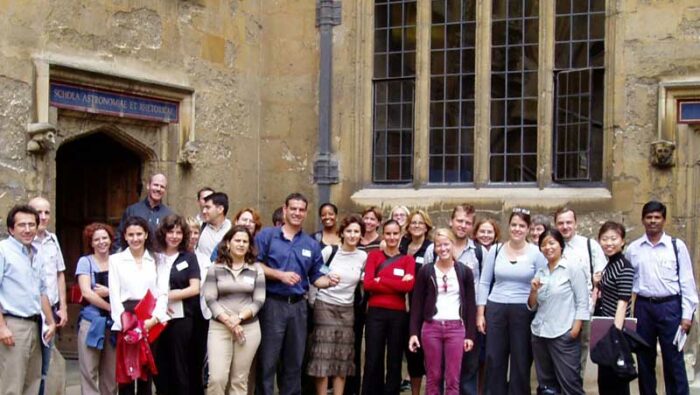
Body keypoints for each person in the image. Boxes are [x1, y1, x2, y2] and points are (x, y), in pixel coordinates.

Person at [254, 192, 340, 395]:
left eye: (301, 210)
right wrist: (279, 275)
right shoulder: (267, 236)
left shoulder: (310, 244)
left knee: (294, 361)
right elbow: (255, 264)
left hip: (298, 308)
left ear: (306, 213)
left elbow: (316, 275)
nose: (297, 213)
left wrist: (329, 281)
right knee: (268, 361)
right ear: (284, 210)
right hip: (272, 305)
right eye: (293, 208)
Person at [626, 200, 698, 395]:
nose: (653, 221)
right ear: (643, 220)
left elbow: (687, 281)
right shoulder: (633, 249)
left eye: (657, 218)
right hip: (643, 307)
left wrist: (687, 315)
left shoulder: (676, 246)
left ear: (664, 220)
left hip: (670, 307)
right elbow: (626, 282)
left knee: (674, 359)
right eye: (649, 217)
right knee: (644, 358)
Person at [476, 208, 546, 395]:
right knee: (494, 357)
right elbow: (484, 282)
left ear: (528, 228)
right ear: (508, 227)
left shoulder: (536, 253)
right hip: (496, 307)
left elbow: (541, 283)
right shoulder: (496, 250)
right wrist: (481, 313)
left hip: (522, 310)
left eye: (522, 226)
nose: (517, 229)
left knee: (521, 358)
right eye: (514, 225)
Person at [409, 228, 476, 395]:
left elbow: (470, 306)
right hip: (431, 327)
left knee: (453, 378)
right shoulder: (426, 271)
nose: (443, 249)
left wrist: (470, 335)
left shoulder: (464, 272)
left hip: (456, 328)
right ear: (434, 248)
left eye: (446, 244)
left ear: (453, 245)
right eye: (438, 245)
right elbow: (417, 304)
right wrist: (413, 333)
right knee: (433, 377)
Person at [424, 204, 481, 395]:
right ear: (451, 221)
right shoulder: (431, 253)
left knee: (458, 377)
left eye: (467, 222)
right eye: (459, 220)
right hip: (433, 324)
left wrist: (473, 329)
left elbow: (475, 296)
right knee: (434, 376)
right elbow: (423, 290)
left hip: (459, 324)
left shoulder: (477, 253)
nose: (463, 225)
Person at [109, 216, 170, 395]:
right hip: (127, 318)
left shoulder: (159, 259)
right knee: (126, 373)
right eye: (131, 235)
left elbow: (163, 292)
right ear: (125, 237)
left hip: (150, 318)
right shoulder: (116, 260)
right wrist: (125, 325)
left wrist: (153, 319)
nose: (135, 238)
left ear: (145, 235)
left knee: (146, 372)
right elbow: (114, 294)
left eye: (139, 234)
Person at [307, 215, 367, 395]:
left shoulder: (362, 256)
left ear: (361, 235)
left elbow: (363, 280)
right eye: (349, 231)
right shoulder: (330, 252)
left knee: (343, 355)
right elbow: (315, 273)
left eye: (356, 231)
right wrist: (313, 301)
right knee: (323, 354)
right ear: (342, 233)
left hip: (347, 309)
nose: (352, 235)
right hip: (325, 305)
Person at [0, 204, 57, 395]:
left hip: (36, 325)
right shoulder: (3, 251)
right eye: (22, 225)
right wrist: (1, 327)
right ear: (11, 229)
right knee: (11, 386)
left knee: (32, 384)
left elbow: (42, 292)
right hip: (13, 326)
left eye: (31, 225)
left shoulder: (36, 253)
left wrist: (51, 322)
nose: (27, 229)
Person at [204, 225, 266, 395]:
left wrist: (238, 318)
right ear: (228, 243)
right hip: (219, 328)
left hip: (248, 329)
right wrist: (228, 320)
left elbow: (259, 300)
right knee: (217, 378)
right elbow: (210, 298)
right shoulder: (215, 268)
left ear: (249, 246)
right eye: (237, 240)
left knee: (239, 380)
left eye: (245, 241)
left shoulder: (256, 269)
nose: (241, 244)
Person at [528, 228, 588, 395]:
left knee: (570, 384)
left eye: (552, 243)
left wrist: (575, 330)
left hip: (563, 333)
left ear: (561, 245)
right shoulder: (541, 272)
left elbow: (583, 301)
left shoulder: (572, 268)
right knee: (547, 386)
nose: (548, 247)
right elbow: (532, 306)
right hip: (540, 334)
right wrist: (533, 291)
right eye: (544, 244)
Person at [361, 220, 416, 395]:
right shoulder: (374, 257)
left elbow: (407, 287)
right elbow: (368, 284)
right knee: (373, 357)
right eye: (388, 234)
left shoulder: (408, 260)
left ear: (400, 236)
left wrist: (382, 280)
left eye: (395, 234)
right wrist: (396, 282)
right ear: (383, 235)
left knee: (395, 358)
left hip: (398, 314)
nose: (392, 237)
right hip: (375, 313)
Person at [153, 215, 204, 395]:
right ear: (163, 233)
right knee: (159, 363)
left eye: (179, 232)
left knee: (180, 363)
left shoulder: (188, 258)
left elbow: (194, 288)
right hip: (156, 318)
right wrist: (158, 303)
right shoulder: (153, 256)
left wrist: (166, 297)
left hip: (181, 318)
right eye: (170, 231)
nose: (174, 236)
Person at [554, 207, 606, 376]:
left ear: (576, 223)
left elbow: (601, 272)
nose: (565, 226)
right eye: (561, 223)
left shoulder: (589, 246)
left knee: (581, 351)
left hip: (583, 308)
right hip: (557, 310)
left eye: (569, 222)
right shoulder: (551, 245)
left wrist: (597, 284)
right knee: (557, 351)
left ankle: (576, 386)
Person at [29, 196, 68, 395]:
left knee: (46, 364)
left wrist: (63, 307)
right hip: (30, 311)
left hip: (51, 309)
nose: (43, 217)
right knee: (29, 365)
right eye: (38, 212)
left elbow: (59, 273)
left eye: (47, 212)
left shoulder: (53, 240)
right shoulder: (24, 242)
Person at [592, 221, 634, 395]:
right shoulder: (610, 264)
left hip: (616, 330)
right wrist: (597, 283)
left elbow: (623, 302)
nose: (609, 243)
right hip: (606, 327)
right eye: (604, 239)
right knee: (605, 380)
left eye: (613, 239)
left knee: (617, 380)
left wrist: (615, 335)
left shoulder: (624, 267)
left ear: (622, 241)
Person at [75, 223, 118, 395]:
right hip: (92, 322)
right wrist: (110, 306)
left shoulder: (117, 261)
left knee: (111, 374)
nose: (101, 242)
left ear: (110, 240)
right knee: (89, 372)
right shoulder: (85, 262)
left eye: (104, 238)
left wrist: (110, 292)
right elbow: (87, 292)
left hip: (113, 324)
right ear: (91, 243)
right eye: (96, 239)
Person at [399, 210, 433, 395]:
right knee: (409, 354)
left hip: (421, 308)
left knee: (422, 352)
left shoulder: (430, 247)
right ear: (408, 225)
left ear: (427, 226)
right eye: (414, 222)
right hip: (400, 306)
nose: (417, 226)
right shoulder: (402, 245)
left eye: (421, 223)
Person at [115, 174, 173, 251]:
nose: (159, 189)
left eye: (162, 187)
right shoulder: (132, 210)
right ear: (148, 186)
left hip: (158, 259)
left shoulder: (169, 215)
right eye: (156, 185)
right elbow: (120, 236)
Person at [197, 192, 232, 257]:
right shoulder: (198, 227)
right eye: (204, 208)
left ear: (220, 209)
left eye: (208, 207)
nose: (204, 211)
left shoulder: (232, 229)